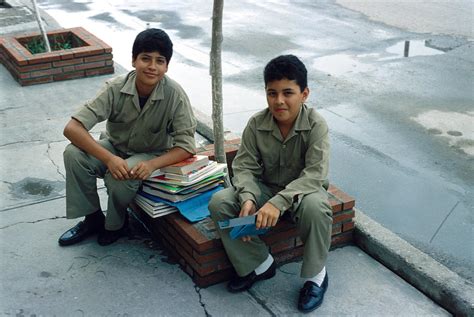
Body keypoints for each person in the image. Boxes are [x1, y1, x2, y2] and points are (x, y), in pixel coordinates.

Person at [209, 55, 332, 313]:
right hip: (267, 189)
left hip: (303, 193)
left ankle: (316, 277)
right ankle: (261, 264)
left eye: (288, 93)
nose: (279, 101)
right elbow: (244, 166)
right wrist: (249, 199)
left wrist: (278, 203)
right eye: (271, 93)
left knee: (316, 208)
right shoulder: (256, 123)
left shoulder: (316, 125)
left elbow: (315, 174)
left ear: (304, 93)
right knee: (220, 202)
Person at [58, 28, 197, 247]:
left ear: (166, 66)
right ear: (133, 61)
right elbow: (72, 128)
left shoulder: (175, 95)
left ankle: (116, 225)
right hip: (115, 147)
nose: (152, 66)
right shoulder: (115, 87)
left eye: (159, 61)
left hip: (151, 154)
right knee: (73, 153)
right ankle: (92, 219)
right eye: (145, 58)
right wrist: (108, 158)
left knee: (123, 175)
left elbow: (187, 146)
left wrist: (152, 164)